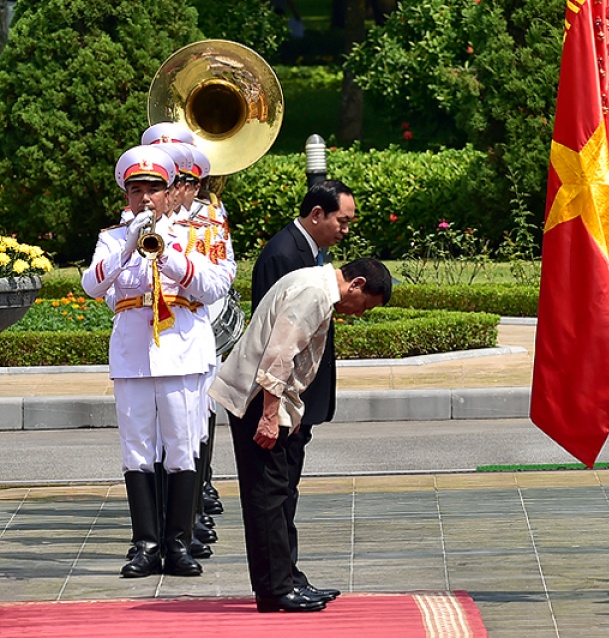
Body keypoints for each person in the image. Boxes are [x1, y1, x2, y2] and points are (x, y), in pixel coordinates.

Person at [81, 145, 233, 578]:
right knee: (137, 452)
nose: (145, 197)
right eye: (136, 190)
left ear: (170, 193)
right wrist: (128, 248)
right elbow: (93, 285)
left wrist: (166, 254)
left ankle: (179, 543)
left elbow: (214, 284)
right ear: (125, 195)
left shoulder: (190, 234)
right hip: (132, 357)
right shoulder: (112, 237)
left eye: (154, 189)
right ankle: (145, 545)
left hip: (181, 353)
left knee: (183, 449)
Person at [209, 258, 392, 612]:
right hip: (258, 401)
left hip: (270, 402)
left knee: (278, 493)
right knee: (267, 497)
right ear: (355, 285)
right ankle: (275, 590)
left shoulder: (317, 286)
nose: (359, 313)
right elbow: (279, 355)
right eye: (365, 305)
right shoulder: (314, 293)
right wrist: (269, 415)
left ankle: (287, 578)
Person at [251, 180, 356, 597]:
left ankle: (289, 575)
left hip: (298, 396)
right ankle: (279, 582)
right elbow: (277, 340)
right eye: (341, 221)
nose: (345, 230)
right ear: (317, 214)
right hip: (279, 397)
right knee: (275, 492)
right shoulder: (283, 254)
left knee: (287, 489)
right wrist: (273, 407)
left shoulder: (310, 251)